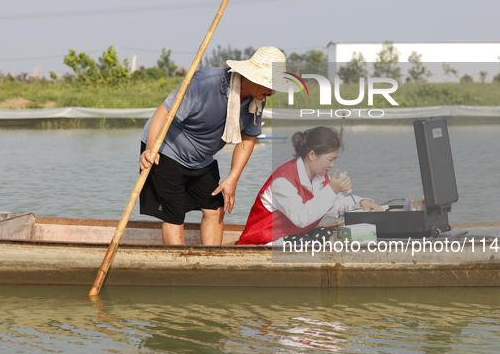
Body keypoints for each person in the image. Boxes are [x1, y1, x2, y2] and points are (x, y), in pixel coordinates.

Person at [139, 46, 290, 245]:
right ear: (252, 77)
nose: (272, 91)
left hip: (202, 158)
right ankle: (177, 266)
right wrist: (150, 149)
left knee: (216, 209)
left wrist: (233, 178)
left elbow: (248, 138)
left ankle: (211, 260)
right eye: (270, 84)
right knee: (174, 213)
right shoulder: (205, 83)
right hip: (167, 148)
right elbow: (163, 113)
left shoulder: (257, 100)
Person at [237, 126, 383, 245]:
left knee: (337, 235)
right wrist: (332, 189)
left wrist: (360, 202)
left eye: (334, 160)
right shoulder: (282, 181)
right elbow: (301, 218)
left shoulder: (319, 177)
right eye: (330, 159)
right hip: (264, 241)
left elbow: (334, 205)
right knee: (309, 243)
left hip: (295, 236)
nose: (332, 165)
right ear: (312, 155)